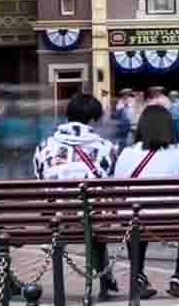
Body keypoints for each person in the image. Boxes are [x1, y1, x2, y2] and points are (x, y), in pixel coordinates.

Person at [32, 93, 120, 298]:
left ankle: (100, 279)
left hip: (56, 219)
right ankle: (105, 281)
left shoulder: (45, 146)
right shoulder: (106, 148)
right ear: (92, 120)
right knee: (95, 217)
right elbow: (111, 185)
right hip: (93, 218)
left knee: (82, 212)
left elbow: (40, 179)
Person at [114, 105, 179, 299]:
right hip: (173, 220)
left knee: (135, 216)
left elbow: (118, 189)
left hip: (135, 221)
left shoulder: (127, 153)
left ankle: (138, 275)